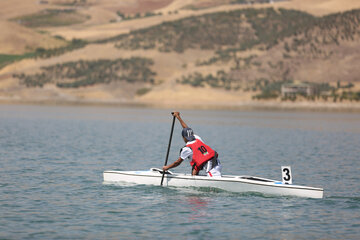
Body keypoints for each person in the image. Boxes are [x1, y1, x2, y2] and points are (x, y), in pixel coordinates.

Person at [163, 112, 222, 177]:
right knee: (195, 168)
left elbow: (177, 163)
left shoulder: (186, 149)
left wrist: (167, 167)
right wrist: (178, 117)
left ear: (183, 137)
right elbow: (187, 129)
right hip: (216, 162)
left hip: (211, 167)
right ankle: (194, 178)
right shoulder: (197, 138)